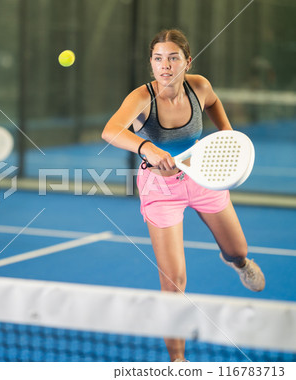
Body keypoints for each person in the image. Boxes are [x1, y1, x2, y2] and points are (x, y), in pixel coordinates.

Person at [101, 29, 265, 362]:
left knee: (238, 250)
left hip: (203, 177)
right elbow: (110, 130)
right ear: (151, 64)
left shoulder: (199, 87)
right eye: (158, 58)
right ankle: (178, 360)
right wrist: (147, 147)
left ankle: (239, 263)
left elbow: (214, 101)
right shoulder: (141, 98)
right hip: (159, 189)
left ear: (187, 62)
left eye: (173, 58)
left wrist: (227, 132)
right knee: (173, 280)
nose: (165, 65)